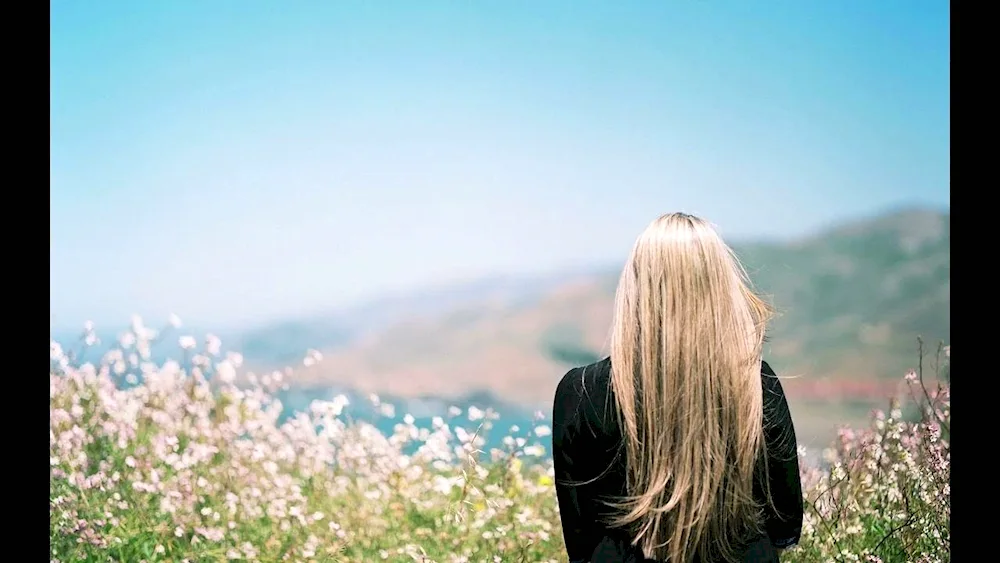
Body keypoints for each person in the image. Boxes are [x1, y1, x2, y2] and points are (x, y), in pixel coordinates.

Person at [552, 212, 804, 563]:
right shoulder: (758, 384)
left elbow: (579, 540)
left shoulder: (579, 392)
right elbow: (786, 524)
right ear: (720, 287)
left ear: (635, 287)